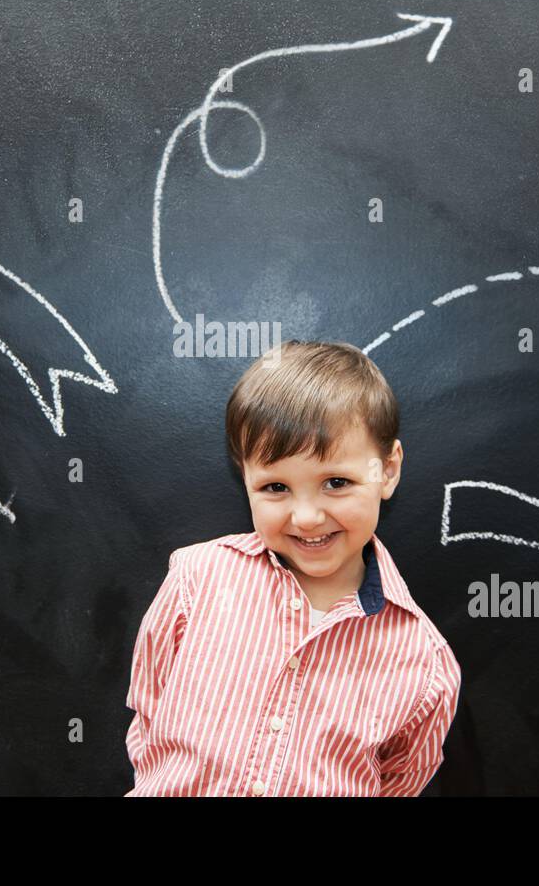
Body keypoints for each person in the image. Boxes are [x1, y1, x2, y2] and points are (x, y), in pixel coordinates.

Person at [124, 339, 461, 796]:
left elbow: (400, 781)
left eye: (336, 482)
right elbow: (149, 712)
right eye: (275, 487)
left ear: (388, 470)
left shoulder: (424, 662)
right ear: (244, 476)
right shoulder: (197, 578)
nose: (305, 517)